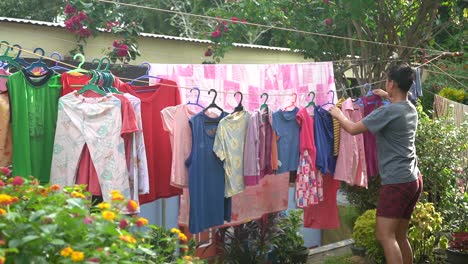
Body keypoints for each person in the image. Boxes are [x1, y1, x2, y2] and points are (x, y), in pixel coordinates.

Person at [329, 63, 423, 264]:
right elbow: (395, 106)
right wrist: (386, 96)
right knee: (399, 235)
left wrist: (338, 114)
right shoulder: (410, 108)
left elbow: (353, 129)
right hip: (413, 179)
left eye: (388, 81)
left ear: (392, 84)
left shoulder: (386, 112)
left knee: (384, 235)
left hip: (397, 181)